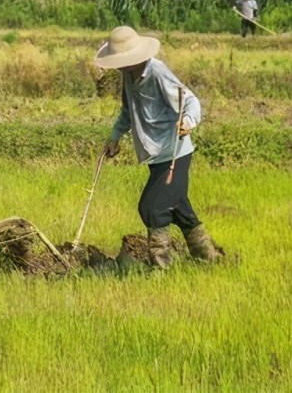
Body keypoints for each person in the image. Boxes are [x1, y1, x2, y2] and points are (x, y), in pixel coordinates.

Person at [95, 26, 223, 268]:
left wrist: (188, 121)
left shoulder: (157, 71)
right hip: (154, 155)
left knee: (151, 207)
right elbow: (127, 110)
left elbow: (191, 100)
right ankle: (209, 259)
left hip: (174, 152)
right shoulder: (128, 75)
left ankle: (161, 268)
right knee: (178, 208)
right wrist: (115, 137)